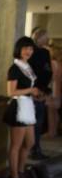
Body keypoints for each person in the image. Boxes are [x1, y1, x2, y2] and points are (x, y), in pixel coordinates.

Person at [3, 37, 39, 178]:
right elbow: (11, 92)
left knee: (29, 143)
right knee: (16, 145)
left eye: (31, 49)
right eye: (26, 48)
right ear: (19, 49)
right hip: (18, 107)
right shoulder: (15, 68)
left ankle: (21, 170)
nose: (28, 51)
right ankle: (15, 176)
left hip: (28, 106)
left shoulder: (27, 66)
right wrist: (31, 90)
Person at [29, 28, 52, 159]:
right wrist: (35, 90)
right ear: (39, 37)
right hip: (32, 92)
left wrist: (45, 90)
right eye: (46, 37)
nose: (48, 39)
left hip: (42, 90)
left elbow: (47, 72)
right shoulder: (31, 52)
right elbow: (31, 74)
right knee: (34, 124)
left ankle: (36, 148)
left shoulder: (45, 52)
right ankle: (33, 149)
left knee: (39, 123)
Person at [46, 46, 62, 138]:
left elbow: (51, 77)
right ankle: (54, 131)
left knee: (51, 112)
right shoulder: (59, 64)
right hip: (58, 89)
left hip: (52, 89)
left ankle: (51, 132)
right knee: (55, 112)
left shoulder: (52, 63)